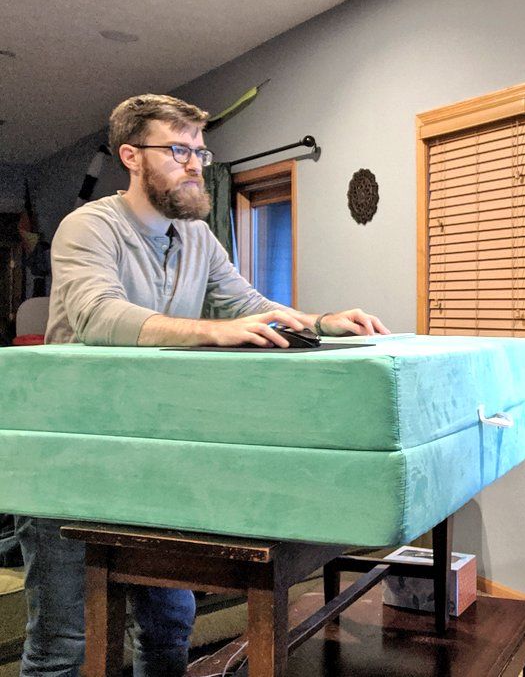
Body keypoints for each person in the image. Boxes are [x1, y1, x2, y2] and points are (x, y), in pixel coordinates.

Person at [17, 93, 389, 677]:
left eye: (200, 151)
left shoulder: (197, 237)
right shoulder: (88, 227)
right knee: (64, 644)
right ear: (131, 156)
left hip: (154, 454)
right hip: (67, 458)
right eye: (178, 150)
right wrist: (212, 332)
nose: (195, 164)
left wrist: (320, 322)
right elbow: (98, 316)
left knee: (169, 623)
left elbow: (248, 304)